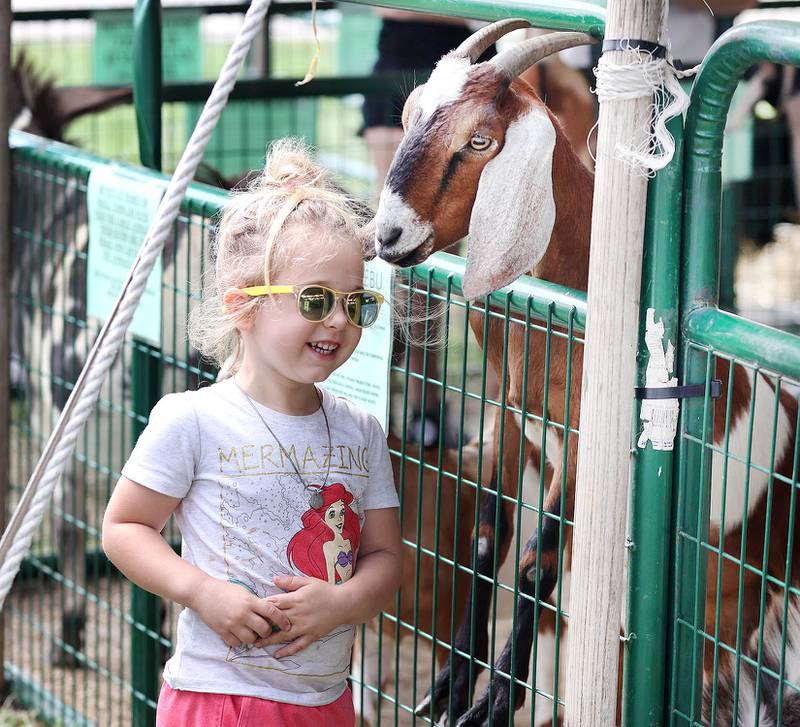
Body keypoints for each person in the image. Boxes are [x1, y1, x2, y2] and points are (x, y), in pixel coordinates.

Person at [102, 139, 403, 727]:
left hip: (325, 702)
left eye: (355, 302)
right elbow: (124, 527)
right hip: (219, 699)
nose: (338, 320)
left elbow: (386, 558)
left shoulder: (361, 431)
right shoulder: (193, 419)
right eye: (316, 300)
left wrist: (341, 603)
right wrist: (201, 592)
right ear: (243, 307)